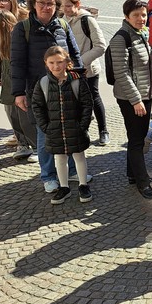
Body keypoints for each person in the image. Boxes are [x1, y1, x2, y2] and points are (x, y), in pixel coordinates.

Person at [11, 0, 85, 193]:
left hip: (65, 88)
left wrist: (79, 80)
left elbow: (74, 54)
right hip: (38, 91)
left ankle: (71, 170)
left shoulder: (62, 24)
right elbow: (17, 63)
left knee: (69, 130)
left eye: (50, 3)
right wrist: (18, 93)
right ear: (33, 5)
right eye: (42, 3)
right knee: (45, 135)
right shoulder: (22, 29)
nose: (46, 7)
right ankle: (48, 175)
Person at [31, 47, 93, 205]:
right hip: (54, 129)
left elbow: (87, 104)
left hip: (75, 127)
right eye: (51, 63)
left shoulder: (77, 81)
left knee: (79, 156)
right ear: (46, 63)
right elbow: (37, 106)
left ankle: (83, 185)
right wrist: (45, 127)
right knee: (59, 158)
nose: (55, 66)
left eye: (59, 62)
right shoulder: (43, 83)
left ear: (67, 62)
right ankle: (64, 187)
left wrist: (83, 125)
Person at [108, 0, 152, 200]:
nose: (141, 18)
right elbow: (121, 73)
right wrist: (136, 100)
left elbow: (143, 64)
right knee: (137, 140)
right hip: (131, 97)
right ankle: (143, 182)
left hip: (145, 93)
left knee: (136, 136)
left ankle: (132, 174)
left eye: (144, 14)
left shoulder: (139, 34)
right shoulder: (121, 38)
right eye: (136, 15)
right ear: (127, 16)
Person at [0, 10, 37, 159]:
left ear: (2, 24)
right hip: (7, 82)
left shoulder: (18, 37)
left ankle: (36, 147)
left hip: (19, 82)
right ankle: (23, 144)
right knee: (12, 115)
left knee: (25, 116)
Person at [61, 0, 109, 146]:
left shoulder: (87, 20)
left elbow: (101, 46)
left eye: (68, 6)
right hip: (68, 70)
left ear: (77, 4)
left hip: (88, 69)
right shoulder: (61, 20)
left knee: (93, 98)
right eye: (63, 6)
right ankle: (82, 131)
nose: (65, 9)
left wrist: (81, 62)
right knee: (75, 102)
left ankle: (103, 131)